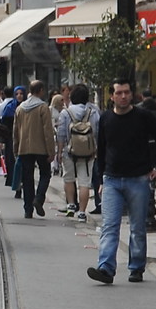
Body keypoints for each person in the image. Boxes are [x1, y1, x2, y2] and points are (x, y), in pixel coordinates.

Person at [84, 80, 156, 283]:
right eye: (118, 93)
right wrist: (101, 178)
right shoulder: (105, 119)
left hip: (138, 179)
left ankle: (136, 267)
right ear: (112, 96)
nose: (123, 96)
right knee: (109, 226)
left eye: (126, 92)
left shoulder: (143, 117)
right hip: (111, 180)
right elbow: (102, 150)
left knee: (138, 226)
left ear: (132, 95)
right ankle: (105, 268)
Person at [11, 84, 54, 217]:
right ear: (41, 91)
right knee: (45, 174)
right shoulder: (43, 107)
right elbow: (48, 131)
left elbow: (15, 131)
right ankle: (39, 198)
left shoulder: (20, 108)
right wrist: (51, 151)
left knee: (27, 179)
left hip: (24, 148)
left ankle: (27, 209)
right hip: (41, 147)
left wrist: (16, 148)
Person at [57, 83, 98, 218]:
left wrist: (59, 151)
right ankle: (81, 212)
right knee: (84, 182)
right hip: (88, 153)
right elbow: (97, 132)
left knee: (68, 178)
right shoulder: (94, 112)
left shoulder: (66, 112)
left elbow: (61, 134)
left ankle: (71, 204)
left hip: (69, 151)